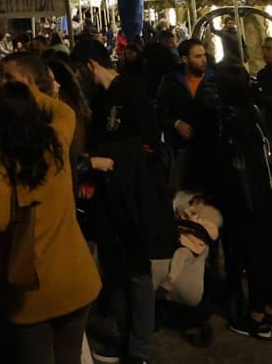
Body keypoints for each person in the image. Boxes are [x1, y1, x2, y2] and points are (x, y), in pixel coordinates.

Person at [0, 80, 101, 364]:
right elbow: (66, 113)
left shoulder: (0, 162)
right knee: (70, 357)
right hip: (76, 277)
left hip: (34, 289)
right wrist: (30, 92)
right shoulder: (55, 141)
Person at [71, 38, 173, 364]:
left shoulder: (131, 90)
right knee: (115, 270)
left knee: (137, 272)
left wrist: (113, 159)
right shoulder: (99, 99)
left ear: (90, 65)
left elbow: (149, 143)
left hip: (132, 193)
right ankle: (124, 335)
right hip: (107, 196)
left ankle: (139, 348)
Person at [212, 63, 272, 340]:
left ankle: (255, 316)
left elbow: (223, 159)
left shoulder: (228, 118)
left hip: (241, 195)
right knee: (268, 249)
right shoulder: (256, 112)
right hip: (263, 191)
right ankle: (270, 310)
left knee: (248, 253)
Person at [156, 38, 218, 190]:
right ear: (185, 59)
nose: (203, 60)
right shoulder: (171, 81)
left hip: (211, 148)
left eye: (204, 55)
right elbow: (161, 109)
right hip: (181, 147)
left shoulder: (216, 79)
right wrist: (175, 123)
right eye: (197, 57)